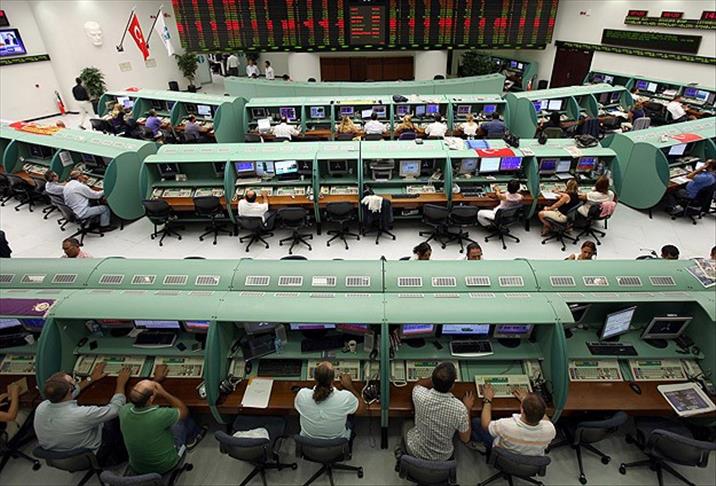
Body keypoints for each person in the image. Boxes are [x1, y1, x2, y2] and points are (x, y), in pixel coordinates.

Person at [34, 365, 131, 466]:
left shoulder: (42, 406)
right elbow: (116, 409)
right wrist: (121, 383)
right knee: (115, 419)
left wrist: (91, 378)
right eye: (73, 381)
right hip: (88, 453)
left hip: (57, 455)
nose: (75, 382)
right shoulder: (82, 414)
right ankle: (119, 456)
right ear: (69, 389)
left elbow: (69, 393)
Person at [120, 374, 205, 475]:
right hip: (166, 465)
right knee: (180, 420)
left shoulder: (123, 410)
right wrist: (164, 393)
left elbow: (140, 396)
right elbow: (183, 411)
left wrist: (155, 380)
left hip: (138, 467)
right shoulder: (160, 415)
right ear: (151, 398)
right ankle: (193, 437)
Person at [402, 362, 473, 461]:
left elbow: (417, 384)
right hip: (443, 457)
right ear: (452, 386)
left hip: (416, 451)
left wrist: (436, 378)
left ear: (433, 380)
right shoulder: (460, 409)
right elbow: (465, 439)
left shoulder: (419, 395)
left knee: (406, 423)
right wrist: (467, 408)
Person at [472, 385, 555, 456]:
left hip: (503, 454)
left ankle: (481, 444)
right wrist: (526, 400)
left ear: (522, 410)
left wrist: (487, 399)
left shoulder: (506, 426)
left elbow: (485, 425)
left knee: (476, 421)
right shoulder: (550, 430)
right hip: (529, 458)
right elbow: (547, 421)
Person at [294, 362, 364, 444]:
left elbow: (297, 407)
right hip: (337, 444)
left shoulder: (302, 395)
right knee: (351, 417)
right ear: (333, 379)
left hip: (308, 444)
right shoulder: (345, 397)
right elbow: (362, 410)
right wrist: (350, 387)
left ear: (314, 378)